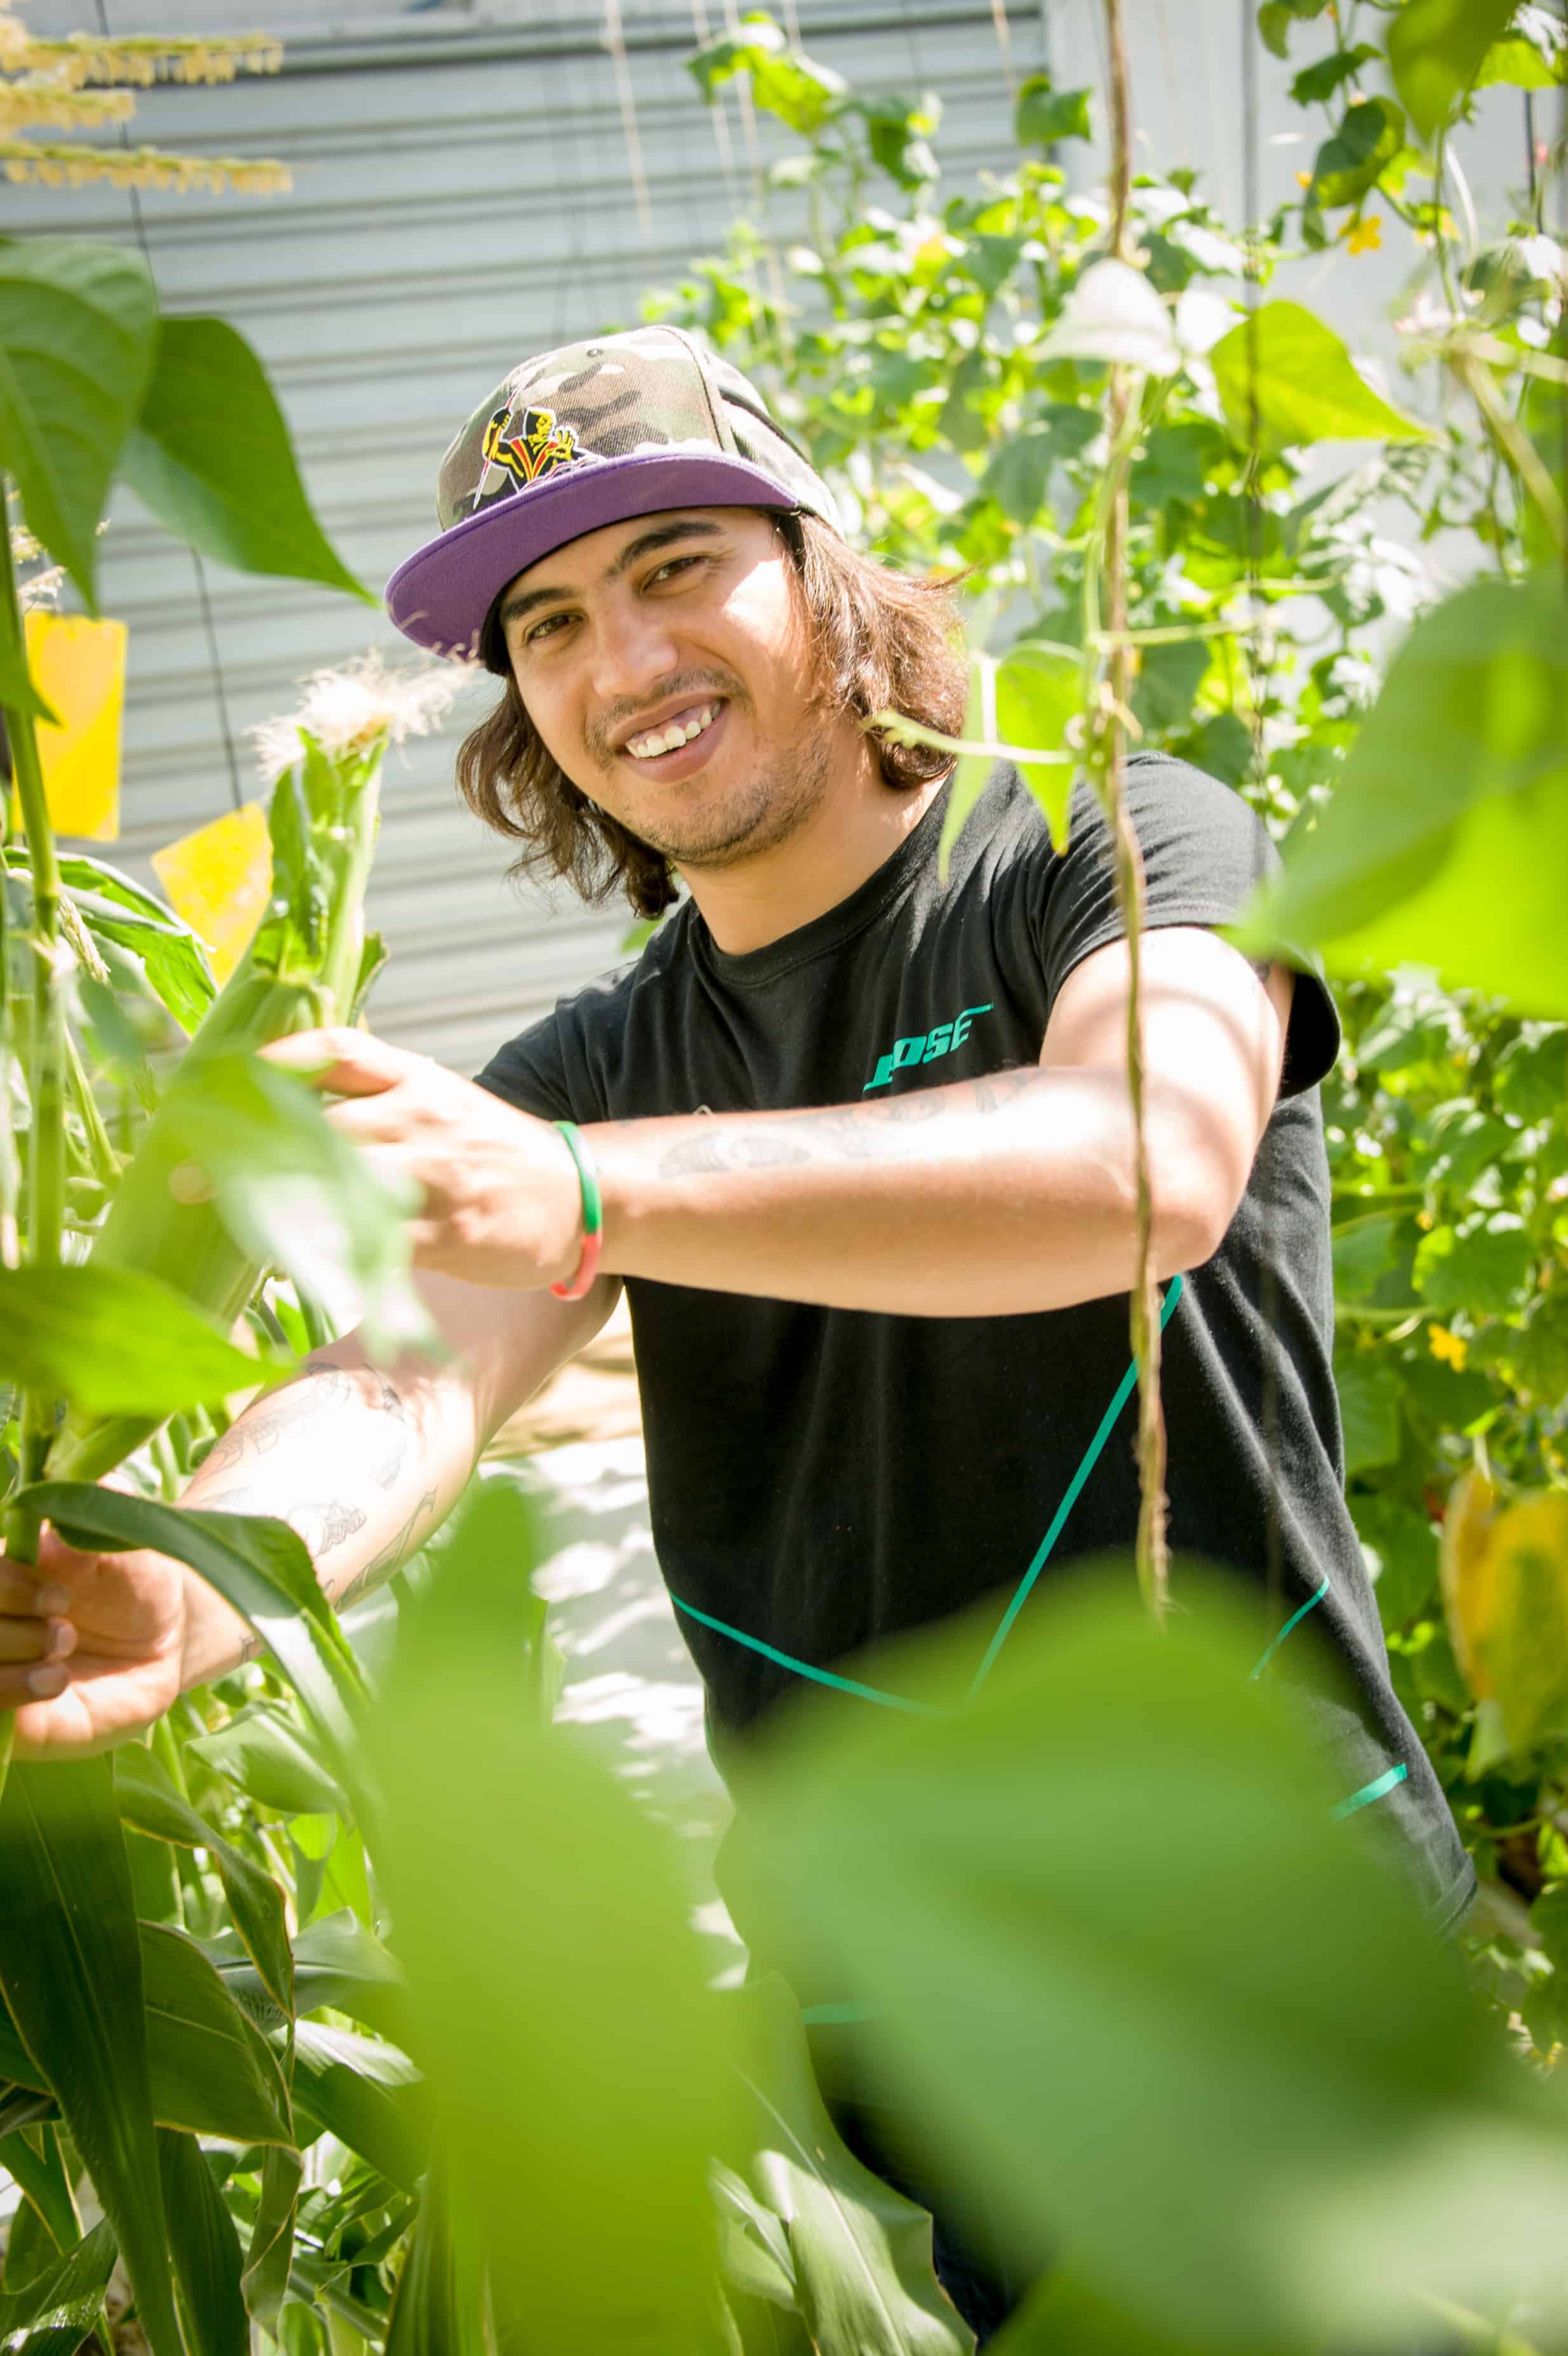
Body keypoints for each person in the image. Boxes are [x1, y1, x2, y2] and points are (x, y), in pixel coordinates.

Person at [1, 325, 1471, 2342]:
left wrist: (597, 1196)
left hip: (1250, 1926)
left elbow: (1146, 1163)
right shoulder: (593, 1064)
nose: (624, 664)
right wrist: (193, 1591)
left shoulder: (1109, 849)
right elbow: (401, 1379)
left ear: (826, 574)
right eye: (549, 622)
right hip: (908, 2000)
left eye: (677, 563)